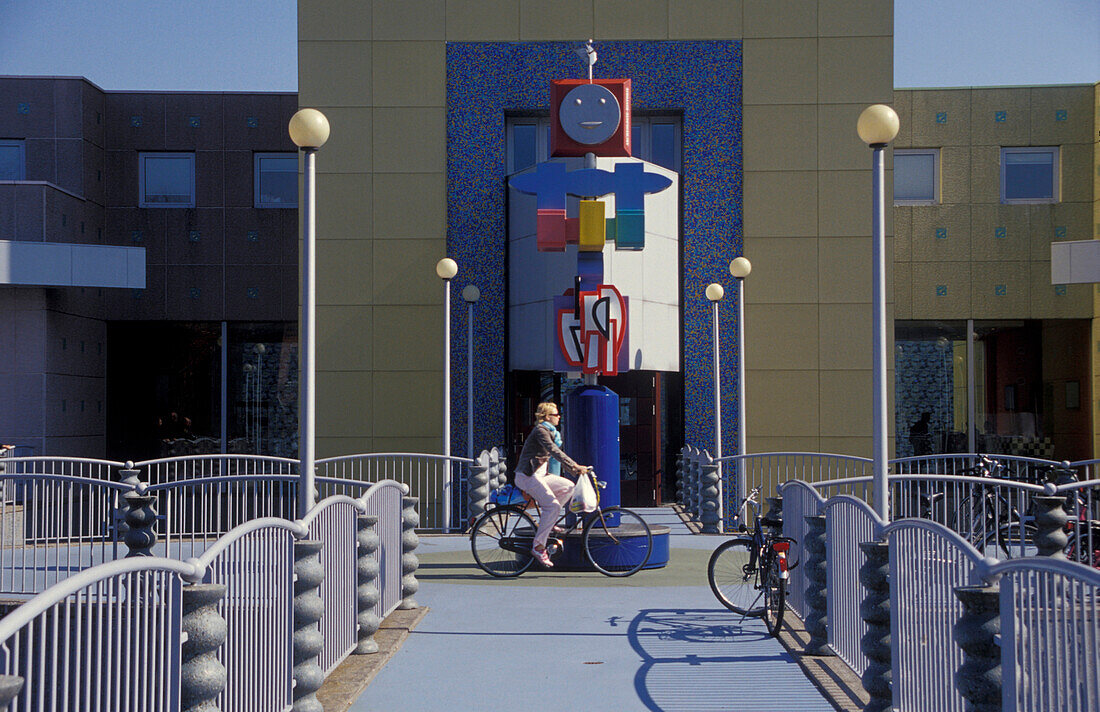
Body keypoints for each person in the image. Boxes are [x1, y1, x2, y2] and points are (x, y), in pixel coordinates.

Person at [513, 402, 588, 567]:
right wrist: (574, 465)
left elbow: (555, 453)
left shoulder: (552, 432)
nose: (559, 416)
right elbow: (553, 450)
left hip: (540, 475)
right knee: (553, 506)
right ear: (547, 417)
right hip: (527, 476)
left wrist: (573, 470)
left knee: (568, 487)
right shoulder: (541, 431)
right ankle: (538, 547)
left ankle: (549, 520)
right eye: (555, 414)